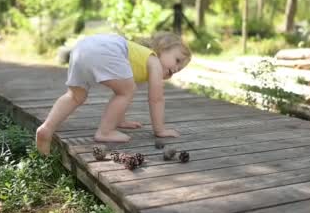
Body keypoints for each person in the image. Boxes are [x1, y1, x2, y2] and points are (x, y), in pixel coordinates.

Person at [35, 32, 192, 155]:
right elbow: (156, 99)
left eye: (180, 69)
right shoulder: (153, 60)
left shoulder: (137, 57)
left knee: (75, 96)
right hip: (105, 49)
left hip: (81, 49)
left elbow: (120, 91)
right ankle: (105, 131)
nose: (176, 69)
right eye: (177, 60)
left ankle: (46, 128)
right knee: (128, 90)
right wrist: (160, 130)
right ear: (161, 48)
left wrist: (121, 120)